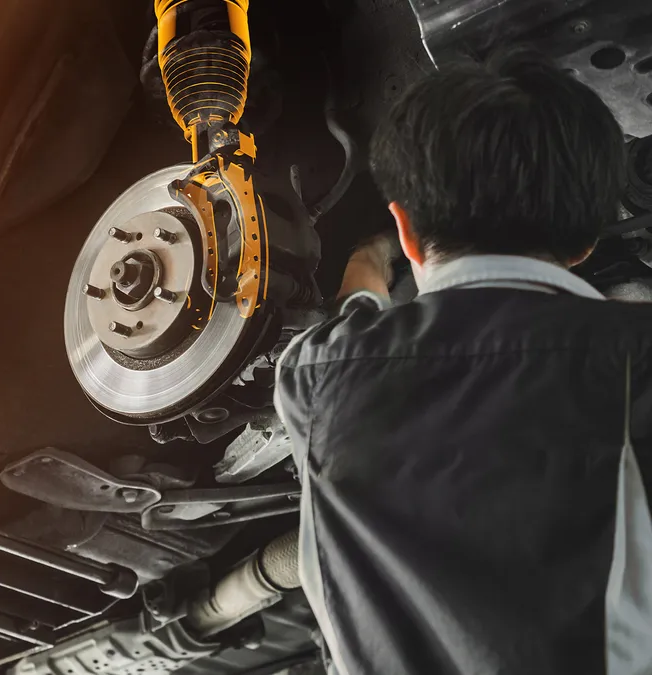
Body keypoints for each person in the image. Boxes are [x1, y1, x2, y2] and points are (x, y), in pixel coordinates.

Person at [274, 47, 652, 675]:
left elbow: (351, 314)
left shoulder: (313, 373)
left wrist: (369, 265)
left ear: (405, 229)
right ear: (587, 241)